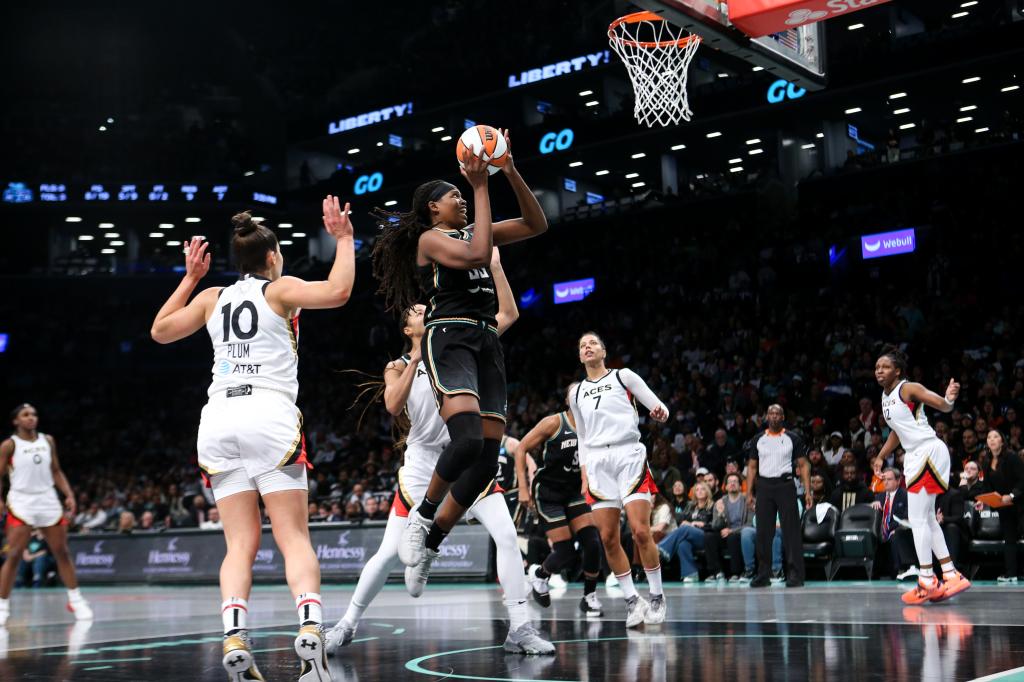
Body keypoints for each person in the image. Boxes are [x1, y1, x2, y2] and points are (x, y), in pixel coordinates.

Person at [150, 197, 356, 681]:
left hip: (219, 418)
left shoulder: (211, 298)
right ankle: (309, 629)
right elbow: (341, 290)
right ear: (270, 258)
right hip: (268, 413)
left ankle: (235, 635)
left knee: (239, 544)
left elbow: (159, 331)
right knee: (293, 537)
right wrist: (343, 238)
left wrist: (190, 279)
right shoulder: (280, 288)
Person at [326, 262, 553, 656]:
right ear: (407, 329)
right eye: (415, 311)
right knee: (389, 554)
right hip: (421, 467)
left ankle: (520, 628)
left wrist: (498, 267)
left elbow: (509, 314)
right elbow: (393, 406)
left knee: (504, 535)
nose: (423, 310)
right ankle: (347, 624)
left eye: (424, 306)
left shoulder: (459, 342)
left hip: (468, 460)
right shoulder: (398, 366)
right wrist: (415, 360)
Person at [373, 133, 548, 577]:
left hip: (487, 338)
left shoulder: (475, 229)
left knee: (486, 460)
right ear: (434, 208)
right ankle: (423, 514)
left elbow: (536, 225)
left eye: (463, 194)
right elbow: (474, 254)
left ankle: (432, 542)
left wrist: (507, 169)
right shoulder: (431, 241)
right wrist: (481, 185)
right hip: (449, 336)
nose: (462, 199)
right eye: (454, 195)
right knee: (467, 440)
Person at [569, 332, 669, 628]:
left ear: (603, 351)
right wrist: (585, 474)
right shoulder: (576, 392)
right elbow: (582, 438)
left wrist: (660, 412)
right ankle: (631, 600)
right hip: (598, 463)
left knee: (640, 531)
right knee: (608, 537)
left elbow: (659, 407)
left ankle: (657, 596)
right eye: (582, 345)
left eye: (592, 343)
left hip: (628, 455)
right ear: (580, 356)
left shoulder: (623, 376)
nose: (587, 347)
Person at [875, 346, 971, 605]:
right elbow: (897, 431)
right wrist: (881, 455)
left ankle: (927, 579)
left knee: (918, 520)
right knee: (927, 519)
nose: (879, 371)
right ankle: (950, 574)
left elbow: (939, 403)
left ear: (897, 370)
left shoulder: (907, 388)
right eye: (876, 367)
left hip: (928, 450)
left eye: (884, 367)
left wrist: (949, 400)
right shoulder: (886, 398)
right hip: (917, 455)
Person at [0, 403, 93, 626]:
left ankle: (75, 600)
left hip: (47, 499)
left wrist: (68, 493)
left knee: (61, 551)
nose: (31, 418)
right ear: (16, 421)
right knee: (14, 554)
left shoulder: (48, 440)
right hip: (21, 501)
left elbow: (56, 471)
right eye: (25, 415)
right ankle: (2, 606)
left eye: (33, 414)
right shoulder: (9, 445)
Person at [515, 388, 604, 618]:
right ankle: (541, 575)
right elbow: (521, 449)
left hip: (574, 491)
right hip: (548, 493)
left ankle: (589, 597)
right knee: (565, 553)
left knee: (593, 543)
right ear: (567, 400)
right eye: (574, 394)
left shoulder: (593, 426)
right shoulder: (554, 423)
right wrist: (524, 489)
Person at [745, 404, 811, 588]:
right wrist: (749, 492)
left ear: (783, 417)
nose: (774, 417)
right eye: (771, 414)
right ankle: (763, 575)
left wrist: (807, 491)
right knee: (763, 533)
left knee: (791, 531)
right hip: (764, 486)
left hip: (786, 485)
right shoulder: (758, 439)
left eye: (777, 414)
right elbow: (751, 467)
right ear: (766, 417)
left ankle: (795, 575)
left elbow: (804, 465)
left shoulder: (792, 438)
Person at [975, 430, 1024, 582]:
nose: (992, 439)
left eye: (996, 436)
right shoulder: (986, 461)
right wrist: (982, 500)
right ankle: (1011, 574)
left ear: (1002, 441)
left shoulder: (1012, 457)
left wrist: (1012, 495)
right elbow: (987, 487)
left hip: (1019, 504)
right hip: (1003, 506)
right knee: (1009, 540)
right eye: (989, 437)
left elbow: (1022, 480)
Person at [659, 481, 716, 582]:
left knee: (685, 528)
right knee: (682, 543)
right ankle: (691, 573)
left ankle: (663, 549)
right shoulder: (691, 506)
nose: (700, 491)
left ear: (707, 491)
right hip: (691, 536)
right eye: (697, 489)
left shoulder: (713, 505)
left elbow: (716, 524)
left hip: (706, 536)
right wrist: (684, 521)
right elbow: (680, 518)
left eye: (702, 489)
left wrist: (701, 524)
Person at [706, 473, 755, 581]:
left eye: (735, 481)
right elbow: (715, 525)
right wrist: (720, 513)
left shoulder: (748, 500)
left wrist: (732, 530)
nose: (732, 484)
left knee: (733, 538)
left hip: (740, 534)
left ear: (740, 486)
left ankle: (736, 573)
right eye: (730, 482)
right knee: (709, 537)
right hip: (724, 533)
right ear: (726, 486)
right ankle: (717, 572)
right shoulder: (720, 502)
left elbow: (750, 524)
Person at [870, 467, 917, 580]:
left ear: (898, 480)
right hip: (881, 533)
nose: (886, 482)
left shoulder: (905, 495)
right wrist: (872, 504)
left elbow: (907, 517)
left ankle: (900, 570)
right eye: (884, 479)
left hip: (898, 530)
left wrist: (895, 528)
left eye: (889, 479)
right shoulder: (879, 497)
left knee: (896, 535)